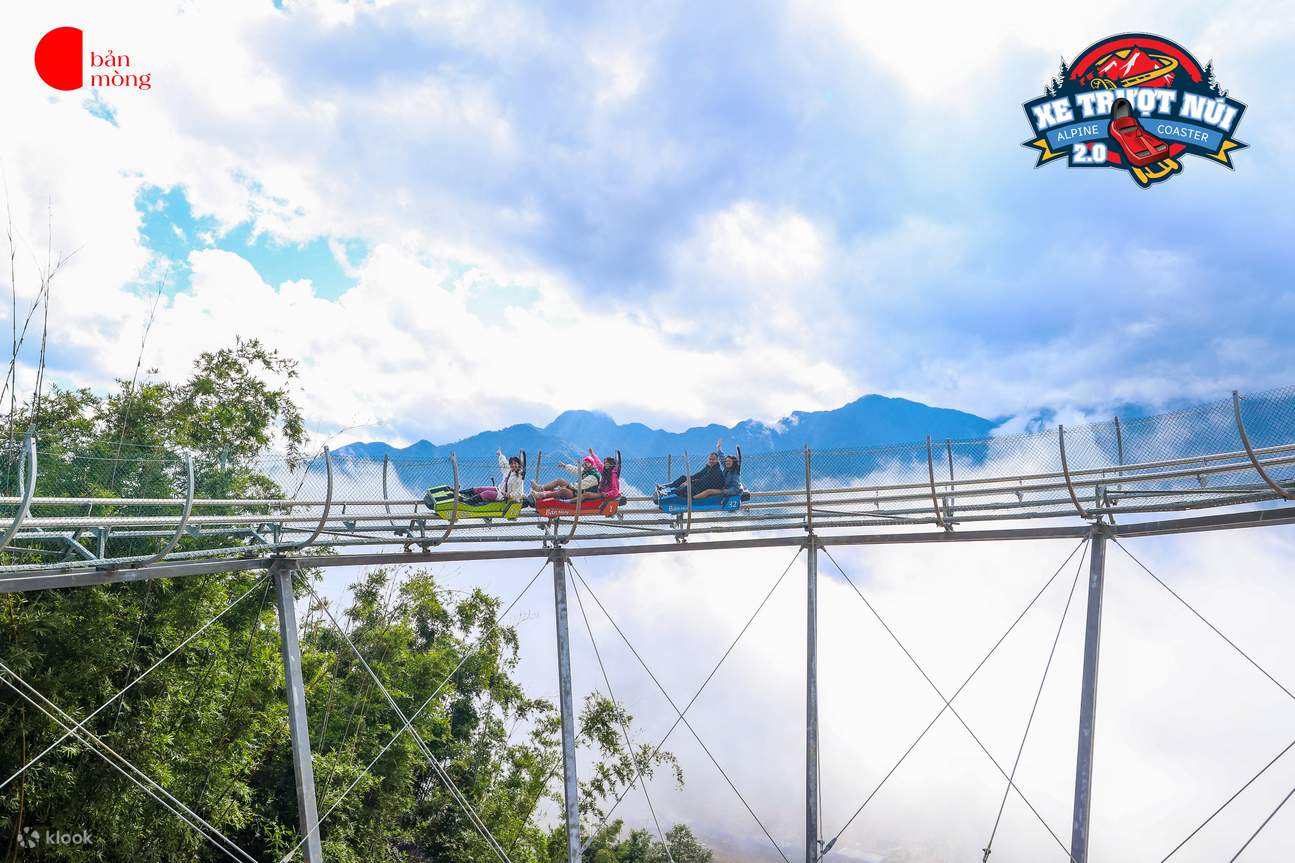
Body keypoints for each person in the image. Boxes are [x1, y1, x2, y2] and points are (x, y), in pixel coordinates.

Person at [424, 450, 525, 509]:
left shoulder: (519, 478)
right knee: (479, 489)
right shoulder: (509, 471)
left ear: (518, 465)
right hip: (499, 489)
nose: (512, 465)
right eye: (512, 463)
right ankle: (458, 492)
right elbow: (504, 463)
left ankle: (465, 502)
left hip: (504, 496)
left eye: (515, 464)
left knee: (485, 494)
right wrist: (500, 455)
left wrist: (510, 495)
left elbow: (519, 493)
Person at [657, 439, 726, 501]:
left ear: (717, 460)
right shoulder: (708, 468)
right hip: (700, 486)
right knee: (683, 477)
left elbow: (703, 481)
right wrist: (688, 479)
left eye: (713, 459)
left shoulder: (716, 471)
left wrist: (690, 482)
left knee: (687, 487)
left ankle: (669, 494)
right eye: (710, 459)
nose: (711, 461)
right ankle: (665, 487)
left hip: (701, 490)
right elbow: (698, 475)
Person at [532, 449, 607, 502]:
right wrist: (565, 466)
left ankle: (541, 495)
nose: (585, 465)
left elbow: (581, 485)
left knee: (563, 491)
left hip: (580, 494)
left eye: (587, 463)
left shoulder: (593, 476)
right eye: (584, 463)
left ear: (592, 465)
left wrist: (568, 486)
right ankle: (540, 488)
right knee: (560, 481)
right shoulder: (586, 470)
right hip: (576, 490)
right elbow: (576, 469)